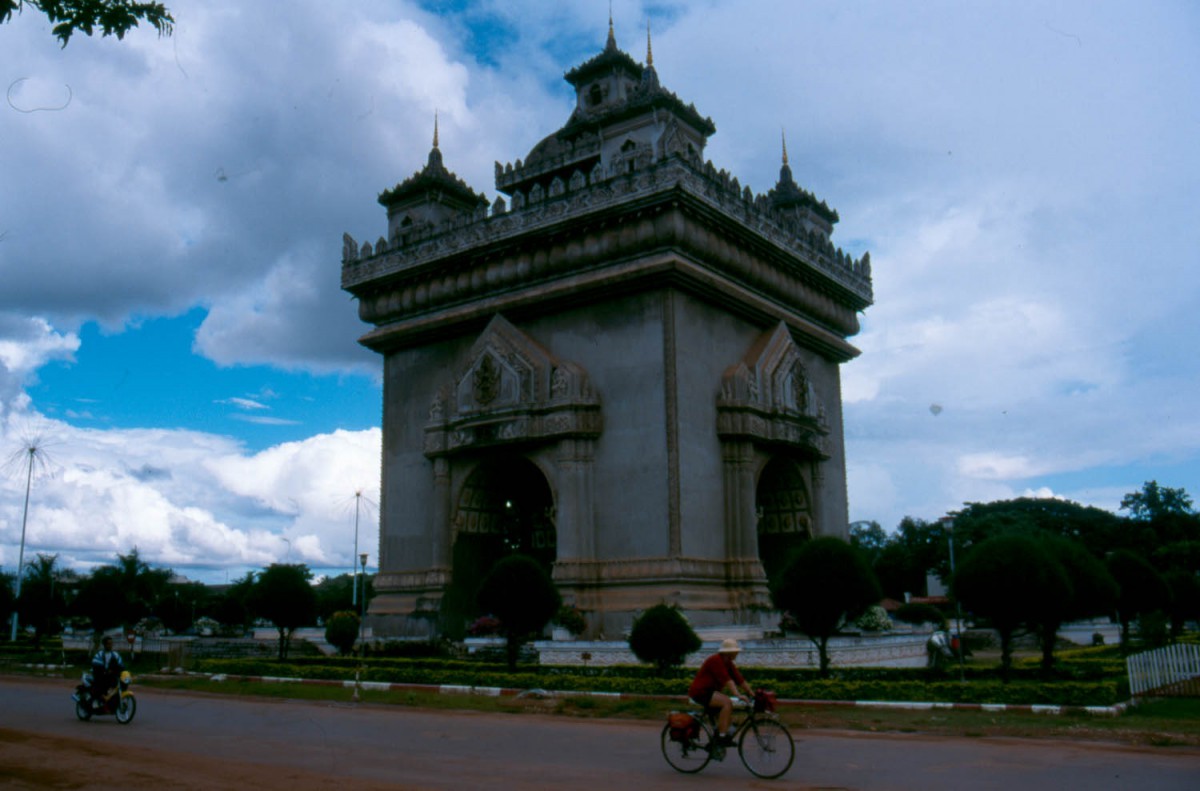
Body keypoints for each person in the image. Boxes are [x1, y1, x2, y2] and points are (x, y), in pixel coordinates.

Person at [688, 638, 754, 746]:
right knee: (727, 703)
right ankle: (721, 737)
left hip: (710, 692)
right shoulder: (716, 660)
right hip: (700, 692)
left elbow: (739, 679)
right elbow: (727, 679)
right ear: (729, 652)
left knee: (728, 714)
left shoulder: (728, 663)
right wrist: (737, 694)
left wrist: (752, 693)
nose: (737, 653)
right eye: (735, 651)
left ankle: (718, 737)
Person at [90, 635, 124, 704]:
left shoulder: (115, 655)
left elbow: (121, 664)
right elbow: (96, 664)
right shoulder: (99, 654)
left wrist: (121, 670)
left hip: (110, 676)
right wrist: (104, 671)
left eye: (111, 644)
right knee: (99, 685)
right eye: (108, 644)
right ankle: (97, 700)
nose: (110, 645)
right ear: (104, 645)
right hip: (100, 675)